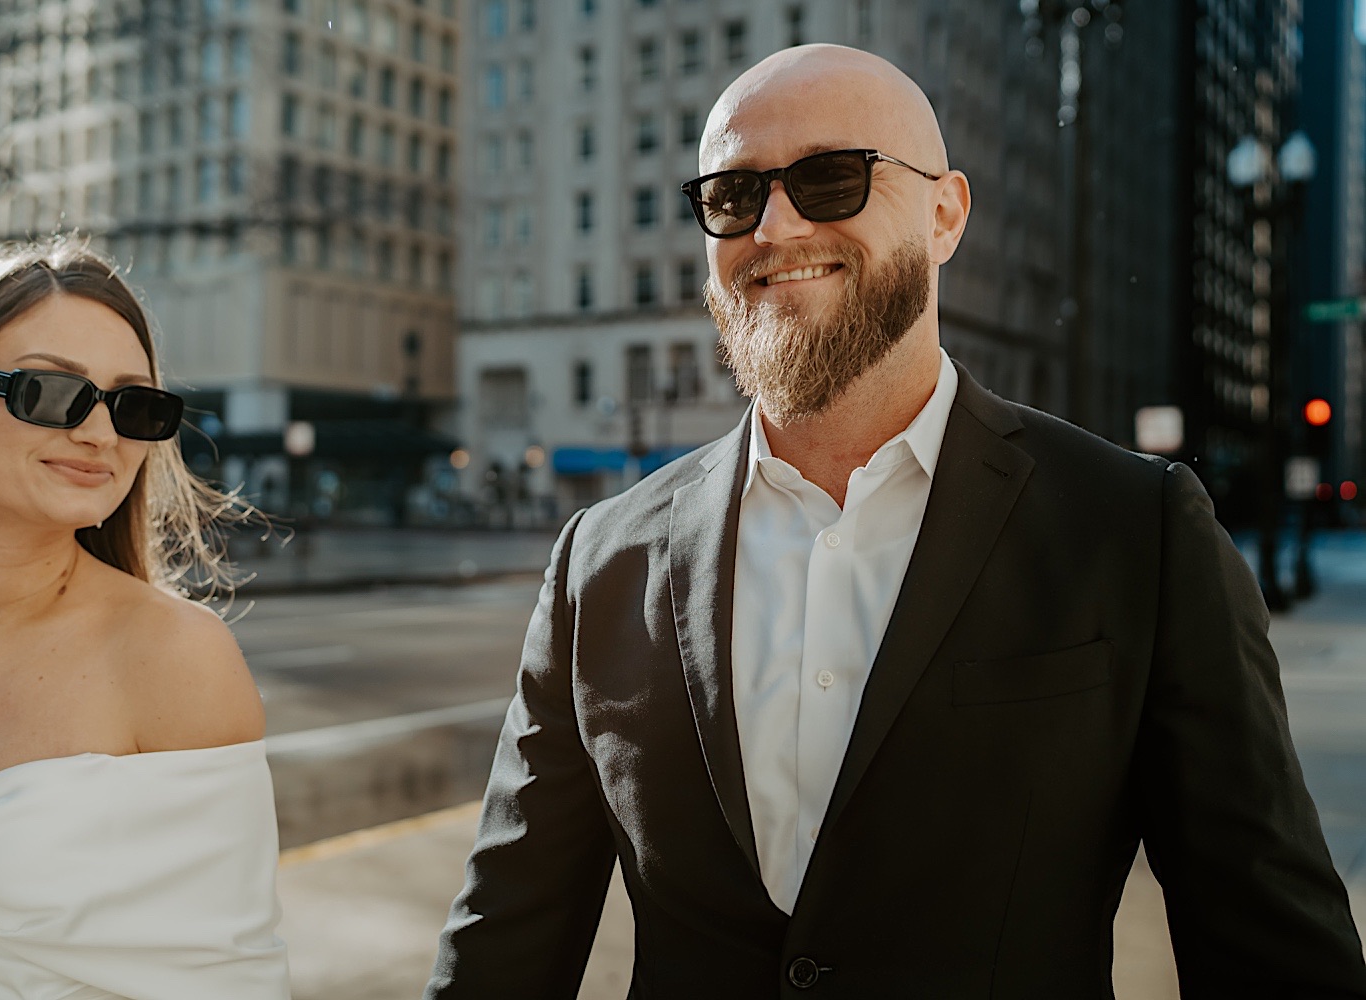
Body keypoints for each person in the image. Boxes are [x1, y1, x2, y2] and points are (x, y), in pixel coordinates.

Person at [427, 45, 1366, 997]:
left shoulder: (1137, 529)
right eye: (732, 194)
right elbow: (503, 939)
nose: (775, 224)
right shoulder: (601, 558)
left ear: (946, 213)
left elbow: (1274, 955)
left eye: (830, 178)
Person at [0, 238, 290, 998]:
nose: (101, 435)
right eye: (51, 392)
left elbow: (230, 982)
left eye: (136, 406)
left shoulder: (175, 658)